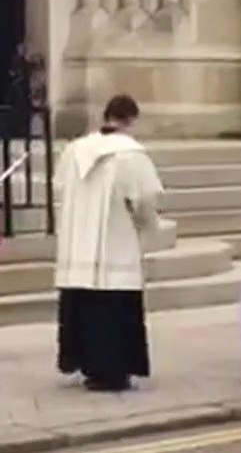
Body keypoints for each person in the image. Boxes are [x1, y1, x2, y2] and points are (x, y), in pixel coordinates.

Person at [53, 94, 165, 392]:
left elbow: (60, 189)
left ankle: (87, 364)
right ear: (131, 120)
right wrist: (149, 228)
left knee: (85, 306)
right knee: (113, 309)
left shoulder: (75, 150)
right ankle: (113, 371)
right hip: (115, 244)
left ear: (106, 116)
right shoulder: (131, 154)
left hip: (78, 247)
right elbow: (144, 201)